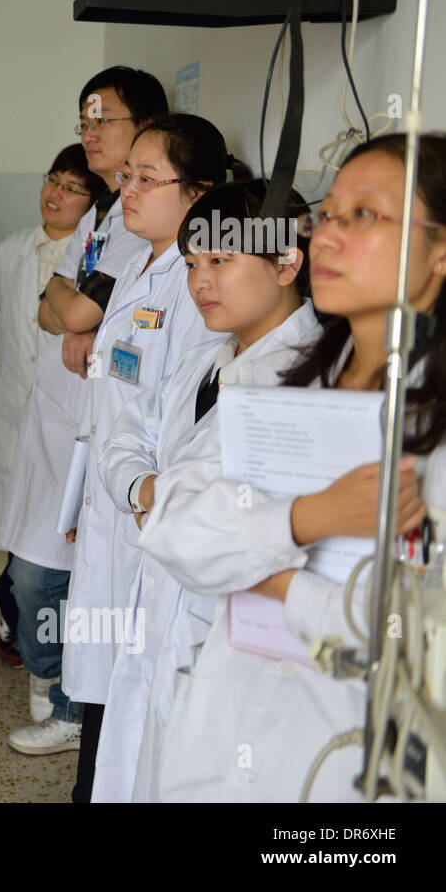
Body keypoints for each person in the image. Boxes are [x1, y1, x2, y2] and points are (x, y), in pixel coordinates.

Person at [143, 133, 446, 801]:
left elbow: (426, 643)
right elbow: (171, 522)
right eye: (329, 215)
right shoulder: (287, 385)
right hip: (221, 743)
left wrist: (274, 579)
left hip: (356, 770)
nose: (328, 238)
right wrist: (309, 518)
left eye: (364, 216)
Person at [92, 179, 319, 801]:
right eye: (193, 263)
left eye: (220, 260)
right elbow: (122, 439)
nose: (199, 282)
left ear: (286, 260)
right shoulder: (207, 361)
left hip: (233, 646)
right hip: (166, 623)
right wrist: (144, 491)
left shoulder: (311, 381)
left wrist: (166, 502)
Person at [57, 114, 237, 800]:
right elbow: (113, 413)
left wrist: (127, 497)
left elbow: (176, 423)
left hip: (149, 527)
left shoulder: (201, 291)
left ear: (199, 193)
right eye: (126, 175)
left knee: (132, 709)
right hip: (114, 509)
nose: (125, 188)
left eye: (145, 177)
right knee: (107, 699)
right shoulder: (138, 262)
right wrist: (85, 499)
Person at [3, 67, 168, 758]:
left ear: (147, 128)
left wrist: (72, 313)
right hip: (62, 422)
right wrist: (70, 313)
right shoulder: (102, 212)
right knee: (39, 574)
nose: (91, 133)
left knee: (58, 578)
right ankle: (62, 693)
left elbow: (70, 305)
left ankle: (70, 705)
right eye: (85, 121)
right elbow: (54, 307)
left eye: (105, 120)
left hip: (102, 432)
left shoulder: (135, 224)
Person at [0, 144, 107, 666]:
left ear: (93, 203)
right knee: (17, 535)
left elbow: (68, 322)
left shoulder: (97, 255)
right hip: (10, 405)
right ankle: (14, 621)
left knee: (50, 547)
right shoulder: (12, 248)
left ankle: (47, 662)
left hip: (64, 415)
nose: (56, 194)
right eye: (52, 181)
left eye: (72, 188)